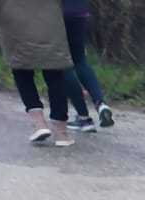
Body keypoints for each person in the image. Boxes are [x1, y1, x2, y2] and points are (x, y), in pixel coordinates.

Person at [0, 0, 74, 145]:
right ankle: (61, 132)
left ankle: (38, 123)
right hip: (49, 20)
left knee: (22, 71)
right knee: (54, 73)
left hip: (12, 21)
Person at [61, 0, 112, 131]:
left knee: (62, 64)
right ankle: (101, 104)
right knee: (80, 61)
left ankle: (84, 118)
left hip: (58, 14)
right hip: (79, 12)